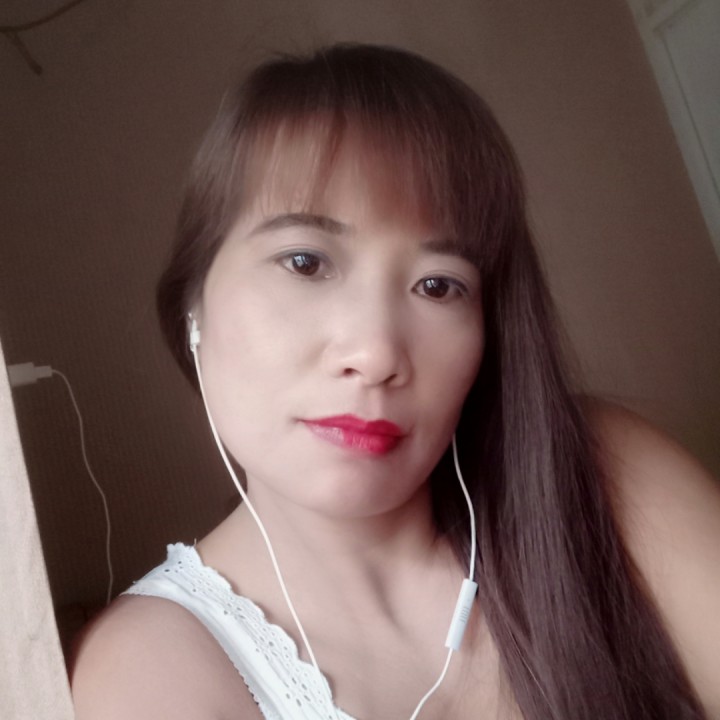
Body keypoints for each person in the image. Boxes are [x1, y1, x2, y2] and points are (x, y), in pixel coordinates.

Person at [71, 44, 720, 720]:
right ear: (194, 305)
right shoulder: (147, 669)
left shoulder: (600, 475)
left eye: (438, 286)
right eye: (305, 262)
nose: (377, 353)